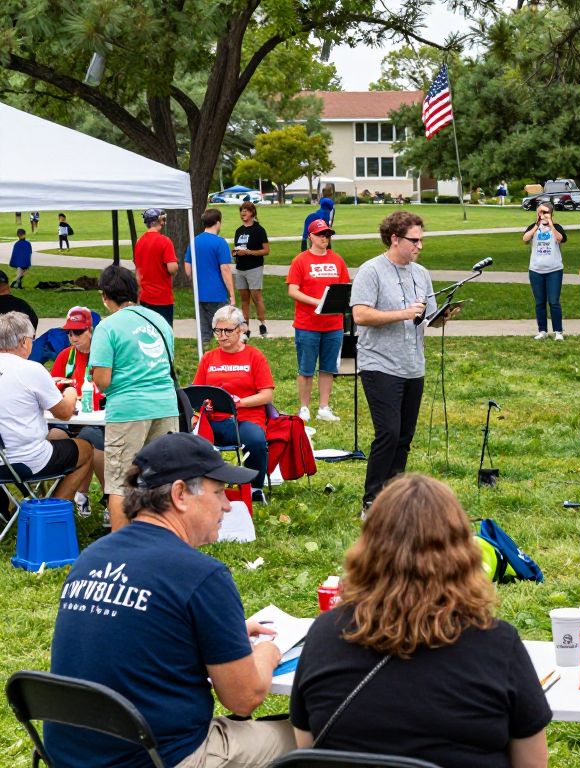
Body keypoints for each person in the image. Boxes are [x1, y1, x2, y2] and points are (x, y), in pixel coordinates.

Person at [46, 432, 295, 768]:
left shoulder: (92, 557)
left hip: (74, 756)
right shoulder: (201, 574)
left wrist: (222, 633)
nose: (228, 504)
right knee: (317, 733)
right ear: (180, 494)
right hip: (160, 757)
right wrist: (268, 653)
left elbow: (135, 635)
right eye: (219, 492)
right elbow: (244, 699)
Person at [290, 473, 551, 766]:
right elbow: (532, 763)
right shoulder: (497, 644)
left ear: (368, 547)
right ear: (463, 553)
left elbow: (307, 748)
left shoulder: (325, 634)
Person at [351, 211, 446, 513]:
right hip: (379, 363)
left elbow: (428, 317)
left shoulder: (421, 273)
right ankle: (371, 501)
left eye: (421, 240)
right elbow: (361, 315)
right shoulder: (371, 271)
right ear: (394, 239)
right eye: (414, 240)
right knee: (388, 432)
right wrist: (403, 314)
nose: (419, 246)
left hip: (412, 364)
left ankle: (394, 498)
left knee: (404, 436)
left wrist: (443, 317)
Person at [90, 265, 179, 530]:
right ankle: (163, 539)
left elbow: (102, 380)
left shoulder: (107, 327)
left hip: (128, 409)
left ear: (105, 296)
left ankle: (121, 550)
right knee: (163, 479)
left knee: (120, 483)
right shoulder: (159, 321)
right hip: (165, 404)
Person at [0, 311, 94, 516]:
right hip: (27, 459)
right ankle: (49, 513)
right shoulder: (31, 369)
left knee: (56, 437)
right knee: (86, 450)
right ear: (24, 341)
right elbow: (64, 412)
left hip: (2, 459)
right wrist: (69, 392)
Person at [192, 305, 274, 504]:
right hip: (213, 420)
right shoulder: (208, 358)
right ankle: (196, 488)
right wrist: (202, 407)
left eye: (228, 330)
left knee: (254, 441)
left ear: (241, 329)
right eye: (218, 330)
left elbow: (266, 395)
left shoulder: (255, 356)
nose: (222, 335)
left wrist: (241, 402)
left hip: (245, 419)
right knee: (185, 439)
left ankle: (255, 488)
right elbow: (196, 392)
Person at [286, 217, 350, 422]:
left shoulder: (337, 260)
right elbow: (293, 290)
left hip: (333, 324)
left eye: (328, 235)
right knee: (306, 368)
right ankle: (304, 407)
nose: (325, 238)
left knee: (328, 366)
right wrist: (317, 302)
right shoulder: (300, 260)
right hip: (308, 324)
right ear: (311, 236)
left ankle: (324, 407)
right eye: (321, 234)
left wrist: (337, 303)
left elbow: (344, 288)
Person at [47, 306, 106, 516]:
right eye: (69, 332)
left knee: (91, 439)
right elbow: (52, 390)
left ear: (91, 330)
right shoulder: (65, 356)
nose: (72, 337)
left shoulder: (103, 355)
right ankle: (61, 499)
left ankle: (108, 499)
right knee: (54, 436)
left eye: (78, 332)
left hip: (97, 420)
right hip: (69, 418)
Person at [184, 208, 234, 345]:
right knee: (221, 329)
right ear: (218, 223)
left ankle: (203, 354)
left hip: (199, 293)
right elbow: (225, 269)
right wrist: (232, 294)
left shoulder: (194, 241)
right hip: (217, 293)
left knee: (204, 330)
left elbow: (188, 268)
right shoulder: (220, 243)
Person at [524, 203, 567, 341]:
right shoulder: (534, 227)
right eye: (540, 212)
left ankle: (558, 332)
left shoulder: (557, 227)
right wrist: (537, 225)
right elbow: (525, 239)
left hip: (554, 270)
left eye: (545, 212)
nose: (542, 214)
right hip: (536, 270)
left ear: (551, 213)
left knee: (554, 301)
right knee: (540, 302)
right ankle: (542, 330)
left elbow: (560, 239)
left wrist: (551, 224)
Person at [133, 207, 178, 325]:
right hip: (162, 297)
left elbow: (138, 271)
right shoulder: (165, 241)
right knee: (164, 332)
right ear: (159, 220)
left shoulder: (139, 242)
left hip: (144, 297)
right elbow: (172, 268)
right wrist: (176, 268)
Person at [233, 201, 270, 339]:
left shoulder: (259, 230)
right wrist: (236, 253)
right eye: (241, 210)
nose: (243, 213)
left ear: (252, 213)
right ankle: (245, 328)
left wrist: (248, 252)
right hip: (240, 268)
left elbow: (266, 250)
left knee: (256, 298)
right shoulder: (239, 231)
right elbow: (239, 248)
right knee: (244, 300)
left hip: (254, 268)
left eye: (246, 210)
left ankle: (263, 325)